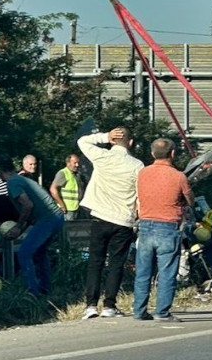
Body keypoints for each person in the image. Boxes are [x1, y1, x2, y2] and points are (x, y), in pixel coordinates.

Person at [77, 127, 143, 319]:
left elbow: (82, 141)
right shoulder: (137, 165)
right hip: (123, 220)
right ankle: (109, 305)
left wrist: (104, 136)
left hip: (100, 216)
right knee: (116, 264)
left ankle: (90, 305)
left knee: (95, 262)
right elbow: (140, 193)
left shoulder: (102, 157)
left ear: (113, 141)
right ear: (130, 143)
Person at [133, 138, 194, 321]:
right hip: (168, 227)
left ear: (152, 154)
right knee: (167, 272)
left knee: (143, 271)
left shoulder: (142, 173)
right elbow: (189, 197)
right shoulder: (178, 176)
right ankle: (162, 311)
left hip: (145, 225)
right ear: (172, 153)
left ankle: (139, 310)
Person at [0, 157, 65, 295]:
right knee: (40, 253)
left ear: (1, 172)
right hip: (56, 217)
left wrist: (17, 227)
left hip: (47, 219)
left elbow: (28, 206)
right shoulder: (23, 180)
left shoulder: (12, 183)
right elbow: (30, 213)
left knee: (24, 253)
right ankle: (46, 290)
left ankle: (32, 292)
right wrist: (20, 229)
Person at [50, 153, 85, 222]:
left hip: (76, 208)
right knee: (66, 230)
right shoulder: (63, 173)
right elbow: (53, 189)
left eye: (78, 163)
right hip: (67, 210)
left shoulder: (76, 174)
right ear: (68, 163)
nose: (77, 165)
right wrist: (62, 205)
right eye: (75, 163)